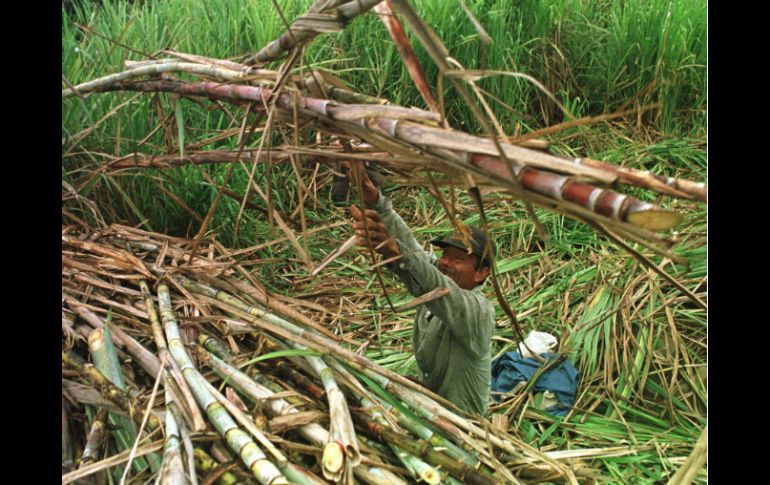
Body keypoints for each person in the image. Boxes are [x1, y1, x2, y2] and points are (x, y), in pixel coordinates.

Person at [346, 163, 497, 415]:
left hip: (462, 425)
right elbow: (417, 256)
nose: (445, 263)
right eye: (445, 254)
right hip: (430, 413)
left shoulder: (478, 312)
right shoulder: (438, 278)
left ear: (481, 273)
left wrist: (397, 253)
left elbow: (434, 283)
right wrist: (377, 203)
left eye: (458, 259)